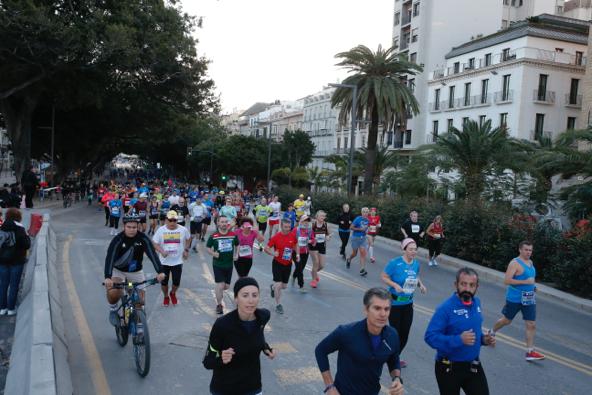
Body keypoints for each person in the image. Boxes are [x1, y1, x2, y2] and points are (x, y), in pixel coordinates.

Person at [315, 287, 404, 395]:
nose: (383, 314)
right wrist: (330, 386)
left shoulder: (392, 335)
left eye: (386, 309)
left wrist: (397, 379)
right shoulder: (346, 332)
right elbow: (320, 350)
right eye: (377, 308)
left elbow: (394, 360)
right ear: (366, 310)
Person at [424, 267, 496, 395]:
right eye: (463, 284)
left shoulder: (477, 303)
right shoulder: (445, 308)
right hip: (449, 367)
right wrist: (458, 339)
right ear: (456, 285)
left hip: (473, 365)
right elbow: (430, 337)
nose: (467, 289)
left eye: (472, 285)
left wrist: (484, 339)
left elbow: (474, 332)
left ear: (477, 287)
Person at [203, 277, 275, 395]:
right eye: (245, 295)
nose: (251, 300)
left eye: (255, 295)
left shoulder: (263, 316)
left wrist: (266, 348)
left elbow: (258, 334)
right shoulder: (222, 325)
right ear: (236, 298)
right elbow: (207, 362)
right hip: (225, 388)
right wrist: (221, 359)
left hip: (253, 387)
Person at [104, 214, 165, 325]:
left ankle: (140, 328)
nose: (132, 230)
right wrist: (108, 277)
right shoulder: (118, 239)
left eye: (134, 227)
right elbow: (110, 258)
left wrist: (160, 271)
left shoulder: (143, 238)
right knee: (114, 292)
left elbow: (152, 255)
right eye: (129, 227)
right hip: (119, 271)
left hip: (136, 272)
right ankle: (113, 309)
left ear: (138, 227)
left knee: (140, 302)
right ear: (124, 226)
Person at [490, 241, 545, 361]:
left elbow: (530, 279)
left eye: (530, 250)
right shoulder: (514, 263)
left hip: (529, 298)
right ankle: (492, 332)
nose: (528, 252)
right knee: (506, 320)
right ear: (520, 250)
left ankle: (530, 352)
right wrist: (526, 283)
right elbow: (507, 281)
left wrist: (533, 287)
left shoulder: (530, 262)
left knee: (531, 324)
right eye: (526, 250)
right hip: (514, 298)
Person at [381, 238, 427, 368]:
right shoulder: (395, 263)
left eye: (415, 249)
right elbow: (384, 276)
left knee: (405, 333)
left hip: (408, 303)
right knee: (395, 333)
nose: (414, 251)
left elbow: (416, 276)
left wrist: (421, 285)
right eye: (411, 249)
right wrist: (394, 284)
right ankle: (392, 358)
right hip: (395, 304)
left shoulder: (416, 263)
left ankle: (394, 356)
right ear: (404, 249)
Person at [152, 210, 191, 306]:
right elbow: (154, 243)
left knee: (176, 282)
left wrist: (186, 250)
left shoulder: (183, 229)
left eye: (175, 220)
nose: (172, 222)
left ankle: (172, 293)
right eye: (170, 220)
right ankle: (166, 296)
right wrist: (161, 251)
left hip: (177, 261)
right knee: (164, 283)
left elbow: (189, 238)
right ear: (166, 220)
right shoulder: (161, 230)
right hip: (164, 261)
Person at [0, 208, 31, 315]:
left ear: (7, 216)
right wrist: (27, 236)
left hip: (2, 261)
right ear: (19, 217)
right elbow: (27, 245)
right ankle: (11, 309)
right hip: (17, 261)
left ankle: (2, 308)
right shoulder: (20, 228)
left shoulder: (1, 226)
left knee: (3, 285)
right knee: (14, 285)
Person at [264, 219, 299, 314]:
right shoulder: (275, 237)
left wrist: (297, 254)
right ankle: (278, 305)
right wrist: (272, 253)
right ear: (281, 226)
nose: (288, 229)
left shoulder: (292, 235)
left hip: (288, 264)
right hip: (277, 263)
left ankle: (273, 287)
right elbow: (266, 248)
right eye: (285, 227)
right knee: (279, 285)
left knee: (283, 286)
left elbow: (296, 245)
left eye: (289, 227)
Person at [206, 216, 239, 314]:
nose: (224, 224)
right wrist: (213, 253)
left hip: (229, 264)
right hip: (218, 264)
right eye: (222, 222)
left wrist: (236, 254)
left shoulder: (233, 235)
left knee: (226, 287)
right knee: (220, 285)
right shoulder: (214, 236)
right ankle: (219, 305)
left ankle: (218, 290)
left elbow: (237, 245)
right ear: (218, 223)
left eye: (226, 222)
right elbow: (208, 247)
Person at [291, 215, 315, 292]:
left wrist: (311, 241)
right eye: (304, 221)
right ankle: (301, 286)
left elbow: (313, 240)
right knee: (299, 269)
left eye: (307, 221)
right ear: (301, 221)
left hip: (305, 252)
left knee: (300, 268)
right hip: (296, 252)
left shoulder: (310, 230)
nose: (306, 223)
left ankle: (294, 275)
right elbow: (291, 241)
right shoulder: (296, 230)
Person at [309, 210, 330, 288]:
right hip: (313, 245)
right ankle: (314, 280)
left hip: (322, 245)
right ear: (317, 217)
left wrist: (328, 237)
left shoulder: (326, 225)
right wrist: (312, 239)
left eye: (324, 216)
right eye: (321, 216)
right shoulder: (313, 225)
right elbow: (308, 235)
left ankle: (313, 272)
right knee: (316, 263)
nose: (323, 217)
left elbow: (329, 234)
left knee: (321, 265)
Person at [347, 207, 370, 276]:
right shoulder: (358, 219)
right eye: (364, 212)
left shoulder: (368, 220)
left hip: (363, 238)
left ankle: (362, 270)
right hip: (355, 238)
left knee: (363, 253)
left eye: (367, 212)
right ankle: (349, 259)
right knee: (354, 254)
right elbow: (351, 227)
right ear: (361, 212)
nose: (365, 213)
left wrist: (367, 230)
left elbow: (366, 228)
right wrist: (360, 229)